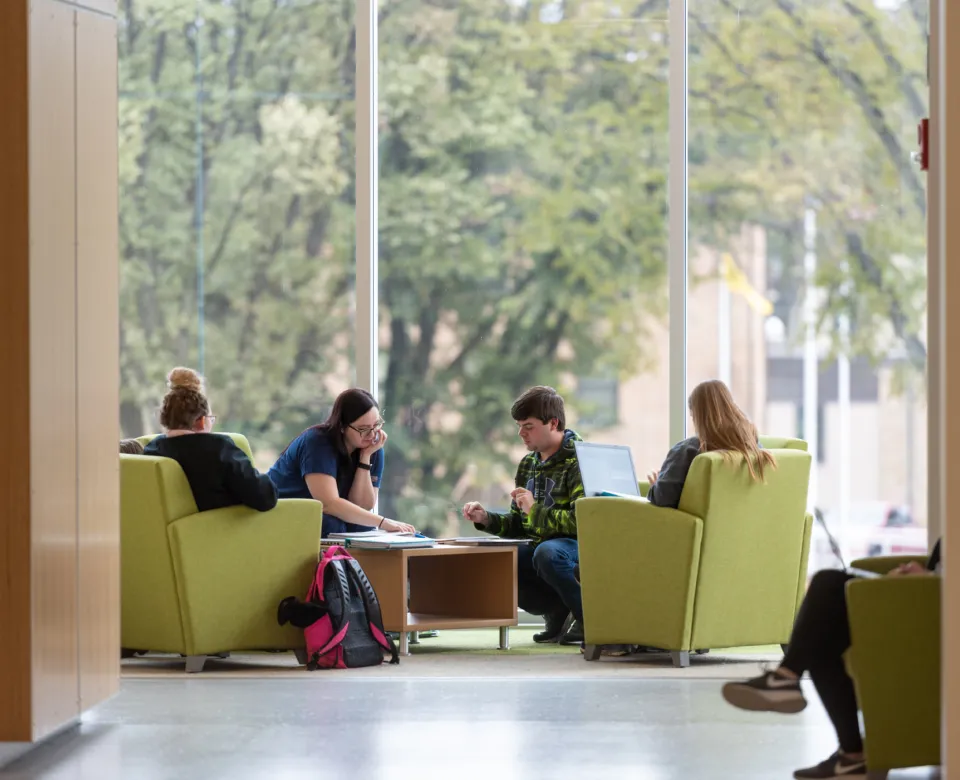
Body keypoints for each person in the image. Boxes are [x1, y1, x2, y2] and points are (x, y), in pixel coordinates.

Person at [721, 542, 941, 779]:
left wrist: (927, 579)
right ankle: (851, 757)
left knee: (828, 584)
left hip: (933, 610)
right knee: (823, 631)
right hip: (923, 600)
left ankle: (786, 679)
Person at [463, 386, 585, 646]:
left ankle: (590, 618)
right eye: (519, 426)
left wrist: (535, 510)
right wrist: (486, 519)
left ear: (553, 423)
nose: (521, 433)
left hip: (576, 546)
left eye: (528, 426)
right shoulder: (528, 464)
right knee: (501, 558)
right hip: (543, 549)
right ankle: (556, 611)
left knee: (546, 553)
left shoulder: (580, 460)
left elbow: (582, 523)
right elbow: (518, 525)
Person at [268, 388, 415, 538]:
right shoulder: (317, 442)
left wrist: (365, 459)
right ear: (342, 427)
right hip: (278, 510)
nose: (372, 435)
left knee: (362, 525)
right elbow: (328, 504)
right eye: (363, 429)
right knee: (331, 525)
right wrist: (382, 521)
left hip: (318, 515)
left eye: (376, 425)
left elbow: (362, 506)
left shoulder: (373, 448)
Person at [143, 367, 278, 512]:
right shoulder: (219, 448)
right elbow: (265, 498)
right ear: (201, 421)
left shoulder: (151, 450)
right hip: (223, 525)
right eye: (211, 419)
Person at [646, 379, 775, 509]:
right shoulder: (753, 447)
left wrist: (655, 486)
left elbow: (663, 499)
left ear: (697, 416)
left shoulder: (687, 450)